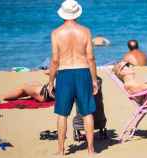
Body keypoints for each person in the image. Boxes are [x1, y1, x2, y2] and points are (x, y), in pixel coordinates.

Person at [48, 0, 98, 156]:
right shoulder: (85, 31)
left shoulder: (56, 33)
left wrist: (51, 81)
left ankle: (61, 151)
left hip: (64, 73)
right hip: (83, 71)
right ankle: (91, 150)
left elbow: (55, 60)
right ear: (77, 13)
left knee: (62, 114)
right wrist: (94, 80)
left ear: (63, 13)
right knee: (87, 112)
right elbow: (91, 58)